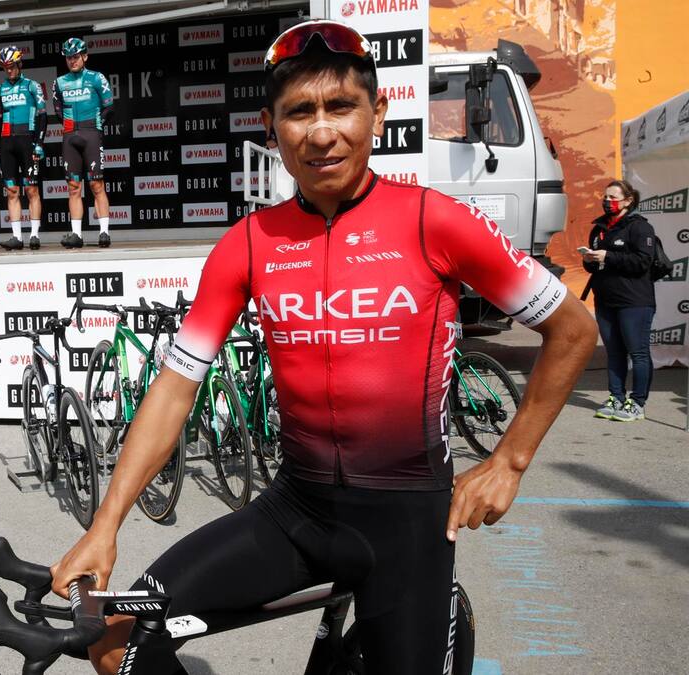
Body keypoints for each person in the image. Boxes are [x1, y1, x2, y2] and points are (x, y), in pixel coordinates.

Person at [49, 20, 598, 674]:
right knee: (116, 639)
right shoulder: (248, 243)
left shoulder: (435, 221)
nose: (320, 131)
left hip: (408, 524)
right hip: (295, 510)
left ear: (378, 113)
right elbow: (173, 389)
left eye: (340, 106)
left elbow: (574, 329)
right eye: (298, 112)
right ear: (270, 126)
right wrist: (106, 523)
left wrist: (508, 460)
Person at [582, 179, 656, 422]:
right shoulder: (599, 228)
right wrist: (590, 260)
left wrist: (609, 256)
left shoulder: (640, 227)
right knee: (614, 353)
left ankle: (637, 402)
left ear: (628, 200)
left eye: (613, 197)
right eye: (605, 197)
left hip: (634, 301)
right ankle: (616, 397)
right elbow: (594, 266)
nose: (607, 201)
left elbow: (642, 262)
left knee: (638, 353)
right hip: (605, 300)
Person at [52, 37, 113, 249]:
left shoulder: (97, 78)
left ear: (85, 56)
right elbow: (57, 108)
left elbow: (109, 106)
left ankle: (104, 232)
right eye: (69, 57)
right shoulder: (59, 82)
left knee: (97, 184)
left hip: (91, 133)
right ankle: (76, 234)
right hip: (70, 135)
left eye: (76, 56)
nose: (72, 61)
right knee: (73, 187)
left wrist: (97, 125)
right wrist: (70, 126)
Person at [0, 45, 47, 250]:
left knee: (32, 189)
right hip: (7, 143)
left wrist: (39, 143)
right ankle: (17, 237)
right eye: (5, 67)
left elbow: (42, 116)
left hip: (28, 141)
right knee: (12, 191)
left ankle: (34, 235)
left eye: (12, 66)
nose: (9, 70)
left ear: (19, 64)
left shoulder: (32, 86)